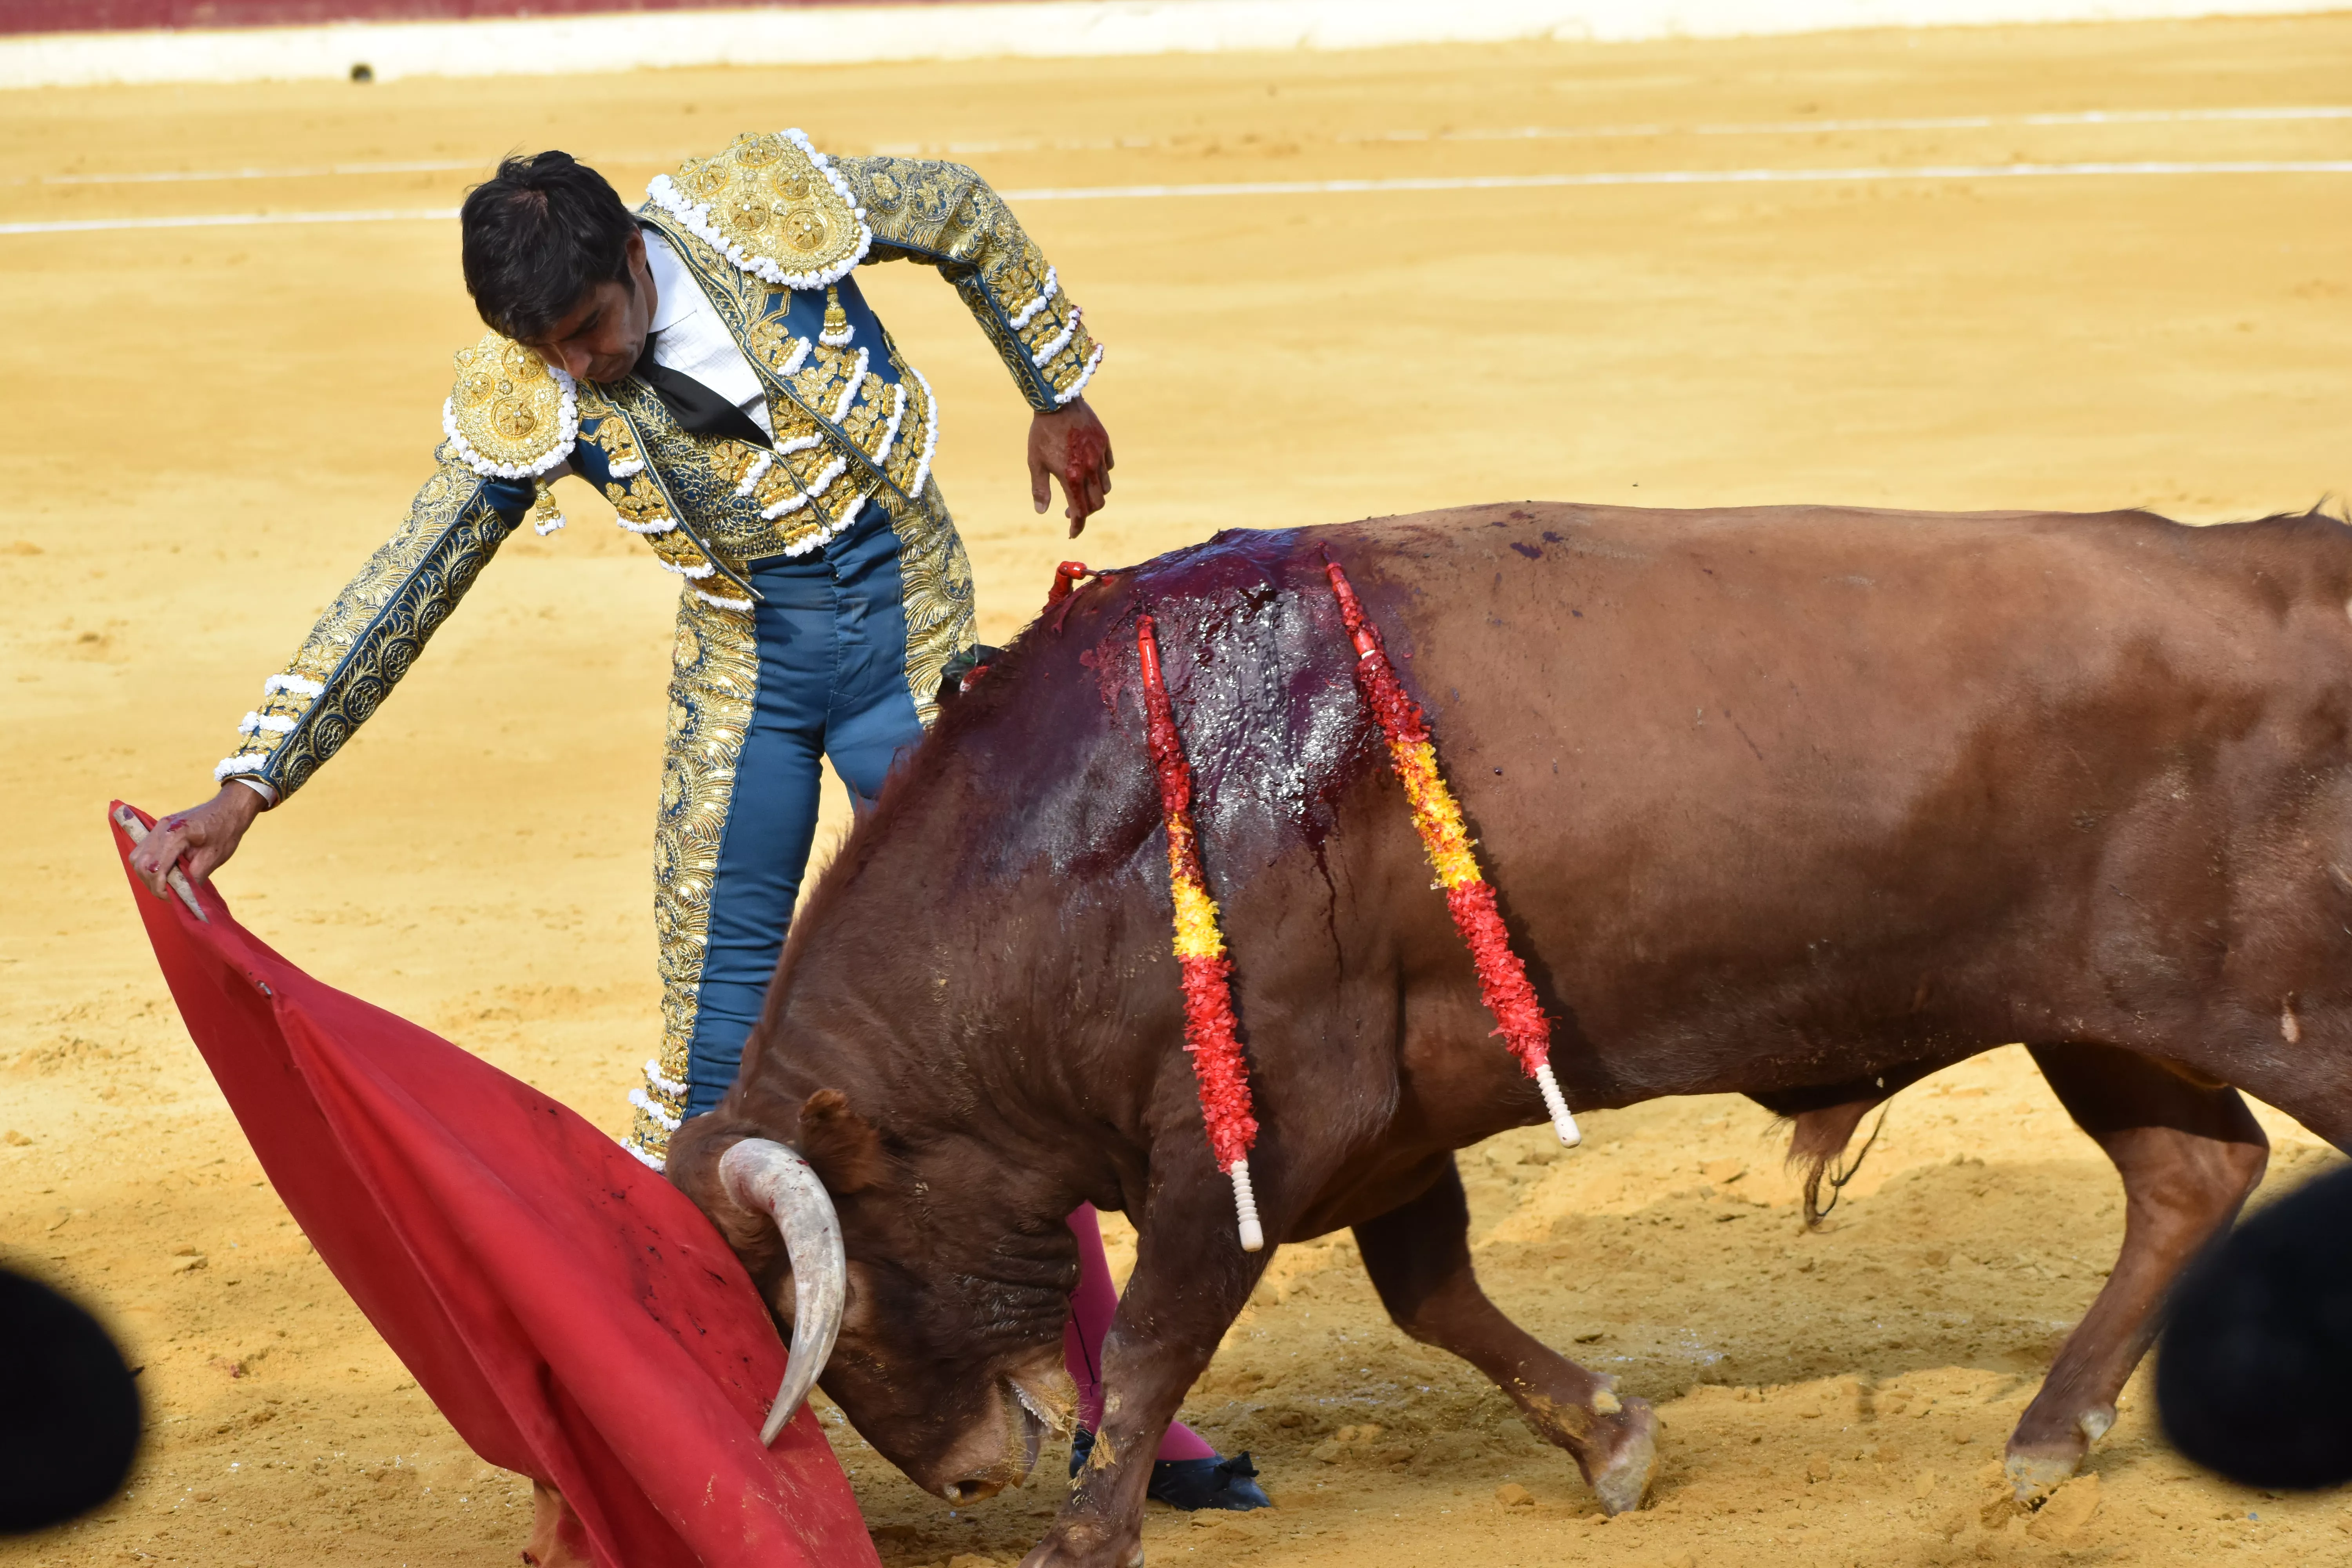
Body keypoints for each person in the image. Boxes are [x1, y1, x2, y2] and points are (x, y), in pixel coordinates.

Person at [129, 134, 1266, 1510]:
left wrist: (1056, 392)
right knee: (707, 1063)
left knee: (1000, 1022)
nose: (578, 370)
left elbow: (959, 212)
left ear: (632, 259)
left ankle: (1122, 1414)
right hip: (754, 673)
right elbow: (410, 574)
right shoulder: (533, 384)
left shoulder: (756, 216)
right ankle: (711, 1431)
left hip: (911, 634)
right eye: (548, 353)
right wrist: (252, 782)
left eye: (590, 332)